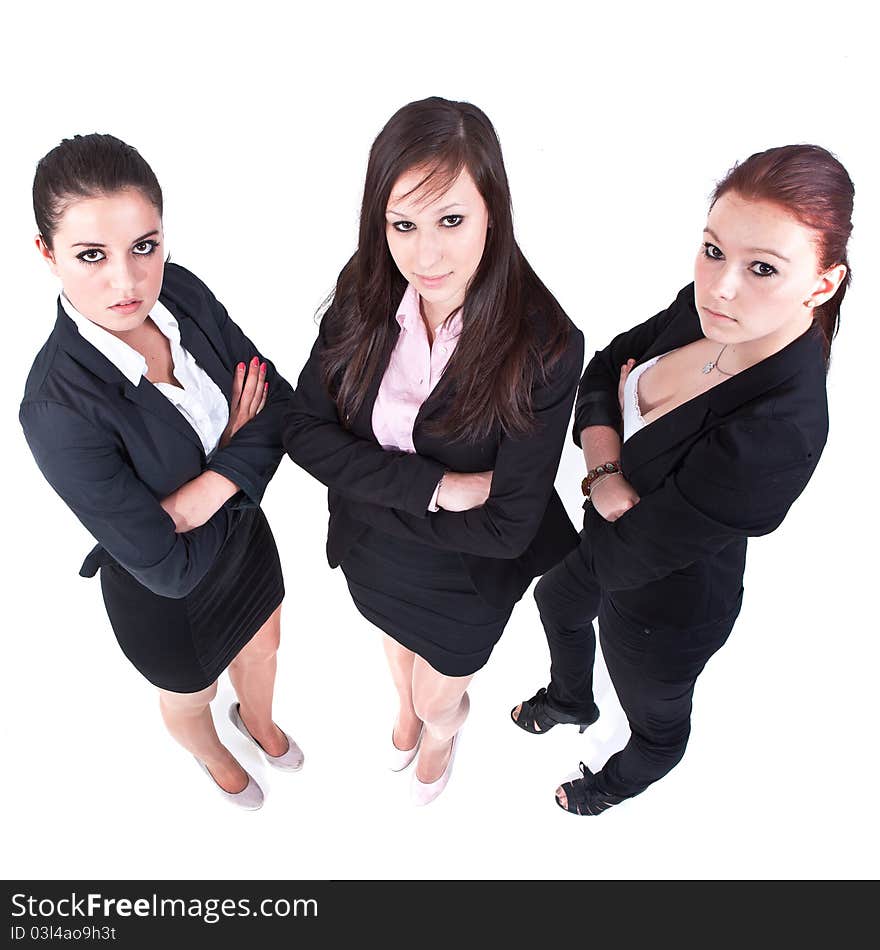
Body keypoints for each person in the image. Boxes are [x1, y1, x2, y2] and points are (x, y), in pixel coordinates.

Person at [511, 144, 853, 815]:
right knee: (555, 602)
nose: (720, 285)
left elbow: (642, 547)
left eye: (763, 269)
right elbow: (604, 368)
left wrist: (594, 463)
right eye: (713, 250)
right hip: (608, 540)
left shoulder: (782, 427)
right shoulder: (706, 311)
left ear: (821, 284)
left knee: (656, 720)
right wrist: (604, 475)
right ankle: (572, 698)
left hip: (665, 611)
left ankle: (615, 783)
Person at [283, 97, 584, 805]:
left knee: (438, 695)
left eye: (452, 219)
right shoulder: (368, 285)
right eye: (403, 224)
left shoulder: (546, 344)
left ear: (492, 213)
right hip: (374, 551)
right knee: (394, 650)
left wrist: (365, 482)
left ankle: (442, 730)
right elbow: (301, 428)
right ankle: (404, 708)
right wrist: (436, 487)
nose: (425, 254)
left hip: (465, 576)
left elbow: (509, 524)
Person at [20, 134, 303, 810]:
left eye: (143, 245)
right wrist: (238, 444)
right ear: (46, 253)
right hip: (164, 597)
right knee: (191, 694)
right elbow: (167, 565)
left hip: (241, 540)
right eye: (92, 255)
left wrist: (191, 502)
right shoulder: (55, 408)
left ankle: (256, 722)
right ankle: (212, 754)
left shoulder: (179, 291)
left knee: (266, 640)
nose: (127, 281)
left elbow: (282, 406)